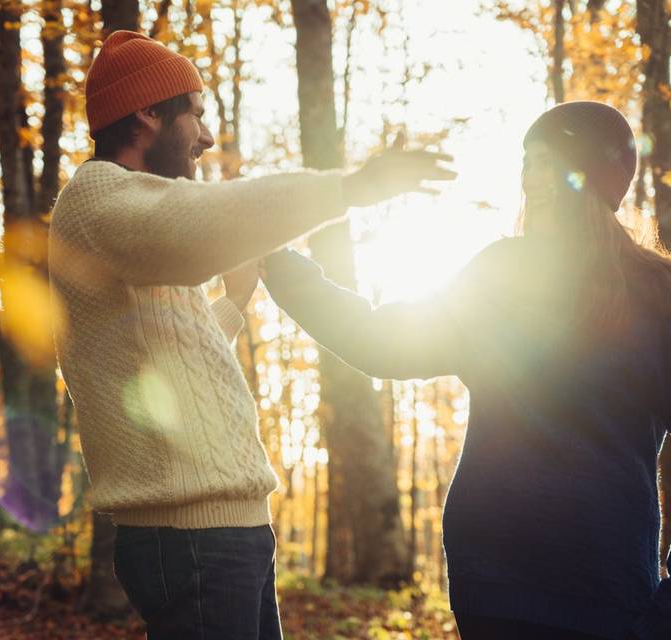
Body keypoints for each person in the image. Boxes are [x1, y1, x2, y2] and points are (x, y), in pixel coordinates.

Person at [260, 101, 671, 640]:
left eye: (541, 160)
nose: (527, 176)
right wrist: (278, 264)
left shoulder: (658, 295)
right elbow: (382, 341)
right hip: (494, 586)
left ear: (580, 172)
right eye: (525, 161)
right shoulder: (500, 272)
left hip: (608, 596)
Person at [46, 30, 452, 640]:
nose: (206, 138)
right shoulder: (98, 199)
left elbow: (163, 358)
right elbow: (198, 229)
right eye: (197, 115)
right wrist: (351, 188)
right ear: (149, 114)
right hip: (188, 537)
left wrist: (232, 306)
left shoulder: (134, 218)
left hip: (219, 531)